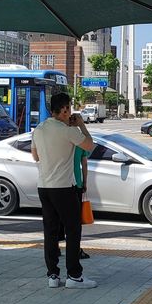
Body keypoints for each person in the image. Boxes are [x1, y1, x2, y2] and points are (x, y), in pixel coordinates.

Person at [32, 92, 97, 289]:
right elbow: (89, 145)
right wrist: (81, 125)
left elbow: (35, 156)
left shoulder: (39, 129)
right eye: (69, 108)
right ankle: (74, 275)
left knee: (50, 231)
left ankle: (53, 275)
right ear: (65, 109)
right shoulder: (68, 131)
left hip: (44, 186)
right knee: (72, 229)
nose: (70, 112)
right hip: (63, 188)